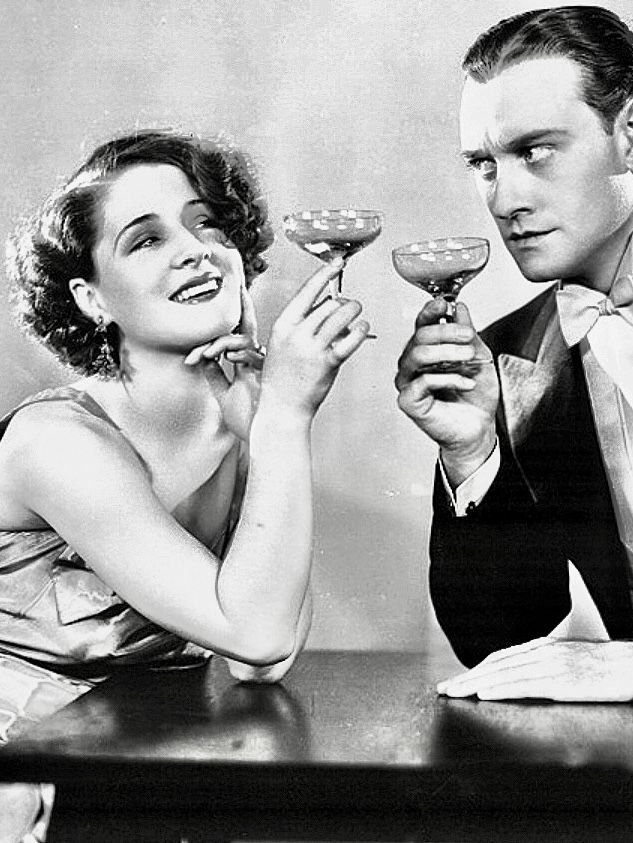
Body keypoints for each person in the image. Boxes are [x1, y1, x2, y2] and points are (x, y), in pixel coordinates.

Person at [0, 130, 368, 841]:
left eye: (207, 224)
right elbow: (258, 636)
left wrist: (265, 434)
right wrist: (286, 420)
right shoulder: (57, 442)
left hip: (111, 769)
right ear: (89, 297)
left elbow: (268, 659)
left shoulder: (234, 419)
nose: (196, 248)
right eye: (145, 240)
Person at [396, 5, 633, 706]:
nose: (506, 197)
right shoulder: (505, 355)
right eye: (483, 164)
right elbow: (500, 648)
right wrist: (471, 459)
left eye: (535, 151)